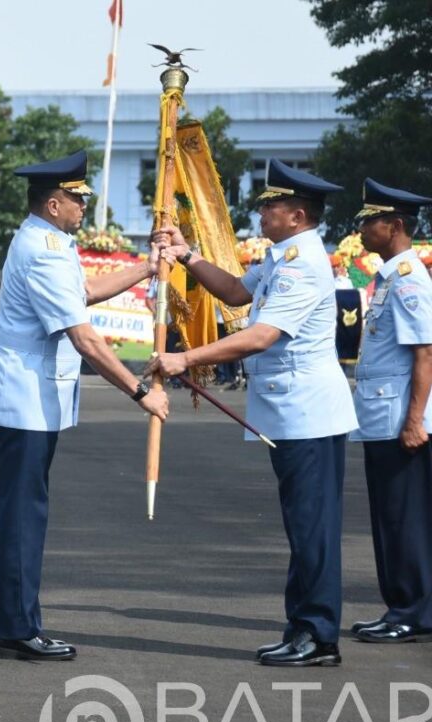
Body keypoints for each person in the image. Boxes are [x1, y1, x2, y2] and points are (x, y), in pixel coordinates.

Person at [148, 159, 358, 666]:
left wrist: (186, 357)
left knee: (313, 528)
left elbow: (263, 335)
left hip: (308, 413)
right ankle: (302, 627)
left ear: (299, 215)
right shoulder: (284, 255)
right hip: (290, 412)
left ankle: (318, 634)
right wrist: (187, 255)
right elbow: (239, 293)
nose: (263, 211)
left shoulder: (304, 263)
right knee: (302, 525)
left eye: (273, 205)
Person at [0, 150, 169, 661]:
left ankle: (16, 619)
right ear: (54, 204)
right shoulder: (45, 250)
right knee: (22, 512)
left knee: (23, 507)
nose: (84, 206)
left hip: (30, 392)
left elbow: (84, 291)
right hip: (24, 396)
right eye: (77, 198)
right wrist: (142, 392)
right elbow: (87, 340)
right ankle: (15, 627)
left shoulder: (48, 241)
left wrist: (146, 269)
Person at [348, 178, 432, 644]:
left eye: (369, 220)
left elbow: (426, 353)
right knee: (391, 517)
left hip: (402, 420)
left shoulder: (409, 281)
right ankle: (402, 605)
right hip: (385, 418)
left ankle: (413, 611)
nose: (361, 228)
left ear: (394, 225)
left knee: (404, 519)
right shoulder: (390, 277)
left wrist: (416, 420)